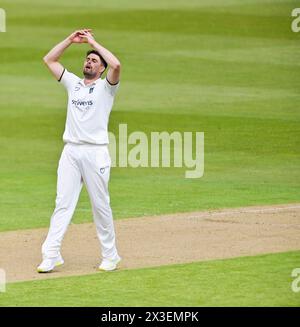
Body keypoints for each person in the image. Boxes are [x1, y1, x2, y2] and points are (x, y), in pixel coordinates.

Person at [37, 29, 121, 273]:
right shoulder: (73, 83)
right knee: (62, 203)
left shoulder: (107, 88)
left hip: (96, 153)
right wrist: (69, 41)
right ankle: (51, 254)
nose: (89, 61)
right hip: (71, 151)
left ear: (102, 69)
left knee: (100, 205)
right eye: (87, 58)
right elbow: (49, 60)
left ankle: (111, 255)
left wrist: (94, 42)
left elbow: (117, 64)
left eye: (94, 60)